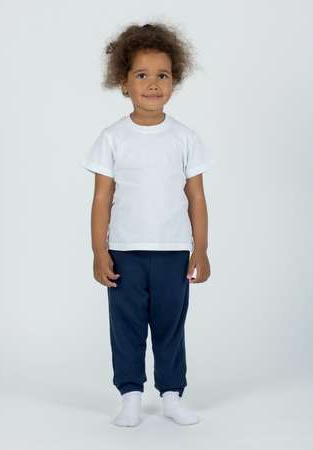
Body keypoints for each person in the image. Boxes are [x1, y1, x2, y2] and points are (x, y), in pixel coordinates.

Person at [82, 22, 215, 427]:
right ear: (123, 82)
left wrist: (201, 249)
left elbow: (196, 198)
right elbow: (101, 199)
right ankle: (130, 396)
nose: (153, 84)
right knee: (126, 326)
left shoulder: (185, 138)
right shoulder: (112, 138)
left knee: (170, 326)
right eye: (141, 75)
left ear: (175, 80)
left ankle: (172, 395)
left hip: (173, 251)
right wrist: (99, 251)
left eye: (163, 75)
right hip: (125, 252)